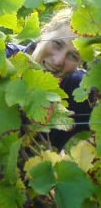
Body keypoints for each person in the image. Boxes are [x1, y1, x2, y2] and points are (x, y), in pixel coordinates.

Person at [7, 8, 92, 150]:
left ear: (80, 63)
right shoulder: (3, 61)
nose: (58, 61)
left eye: (73, 56)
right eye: (57, 44)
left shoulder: (81, 90)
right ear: (44, 32)